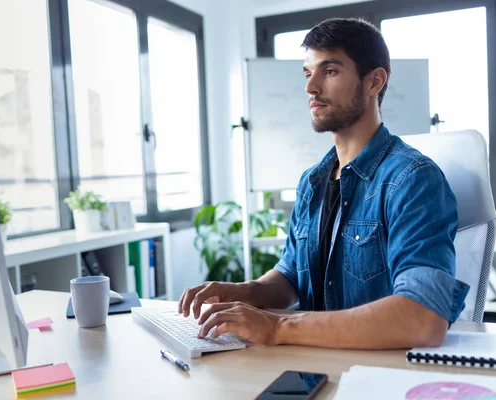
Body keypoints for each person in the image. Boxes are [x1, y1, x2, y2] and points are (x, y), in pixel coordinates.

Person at [178, 17, 469, 350]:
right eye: (308, 73)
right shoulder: (312, 182)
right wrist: (248, 293)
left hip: (379, 372)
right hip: (315, 362)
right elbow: (292, 276)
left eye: (329, 71)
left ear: (374, 82)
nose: (310, 88)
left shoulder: (413, 179)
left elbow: (423, 319)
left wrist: (278, 327)